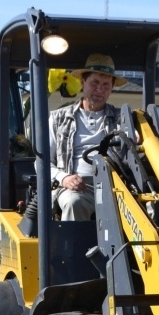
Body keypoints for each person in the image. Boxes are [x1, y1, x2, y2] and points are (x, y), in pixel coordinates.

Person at [49, 53, 127, 221]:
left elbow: (135, 147)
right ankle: (72, 247)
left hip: (115, 187)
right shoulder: (58, 118)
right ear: (82, 83)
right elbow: (42, 162)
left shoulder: (122, 118)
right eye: (95, 83)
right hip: (76, 187)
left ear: (112, 88)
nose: (100, 90)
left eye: (106, 85)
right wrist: (64, 178)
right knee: (73, 203)